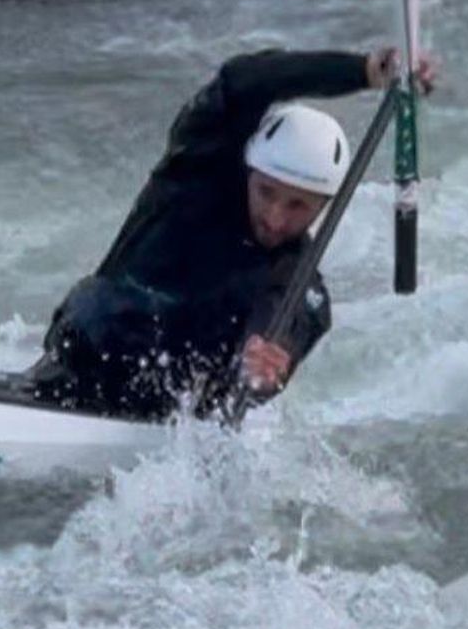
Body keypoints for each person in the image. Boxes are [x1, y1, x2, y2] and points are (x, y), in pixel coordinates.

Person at [29, 46, 436, 421]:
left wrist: (268, 365)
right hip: (90, 354)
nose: (275, 220)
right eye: (267, 192)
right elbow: (244, 80)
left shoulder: (300, 285)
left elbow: (281, 324)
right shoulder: (193, 172)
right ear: (249, 169)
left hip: (169, 409)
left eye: (298, 206)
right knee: (101, 307)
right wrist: (363, 71)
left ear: (324, 206)